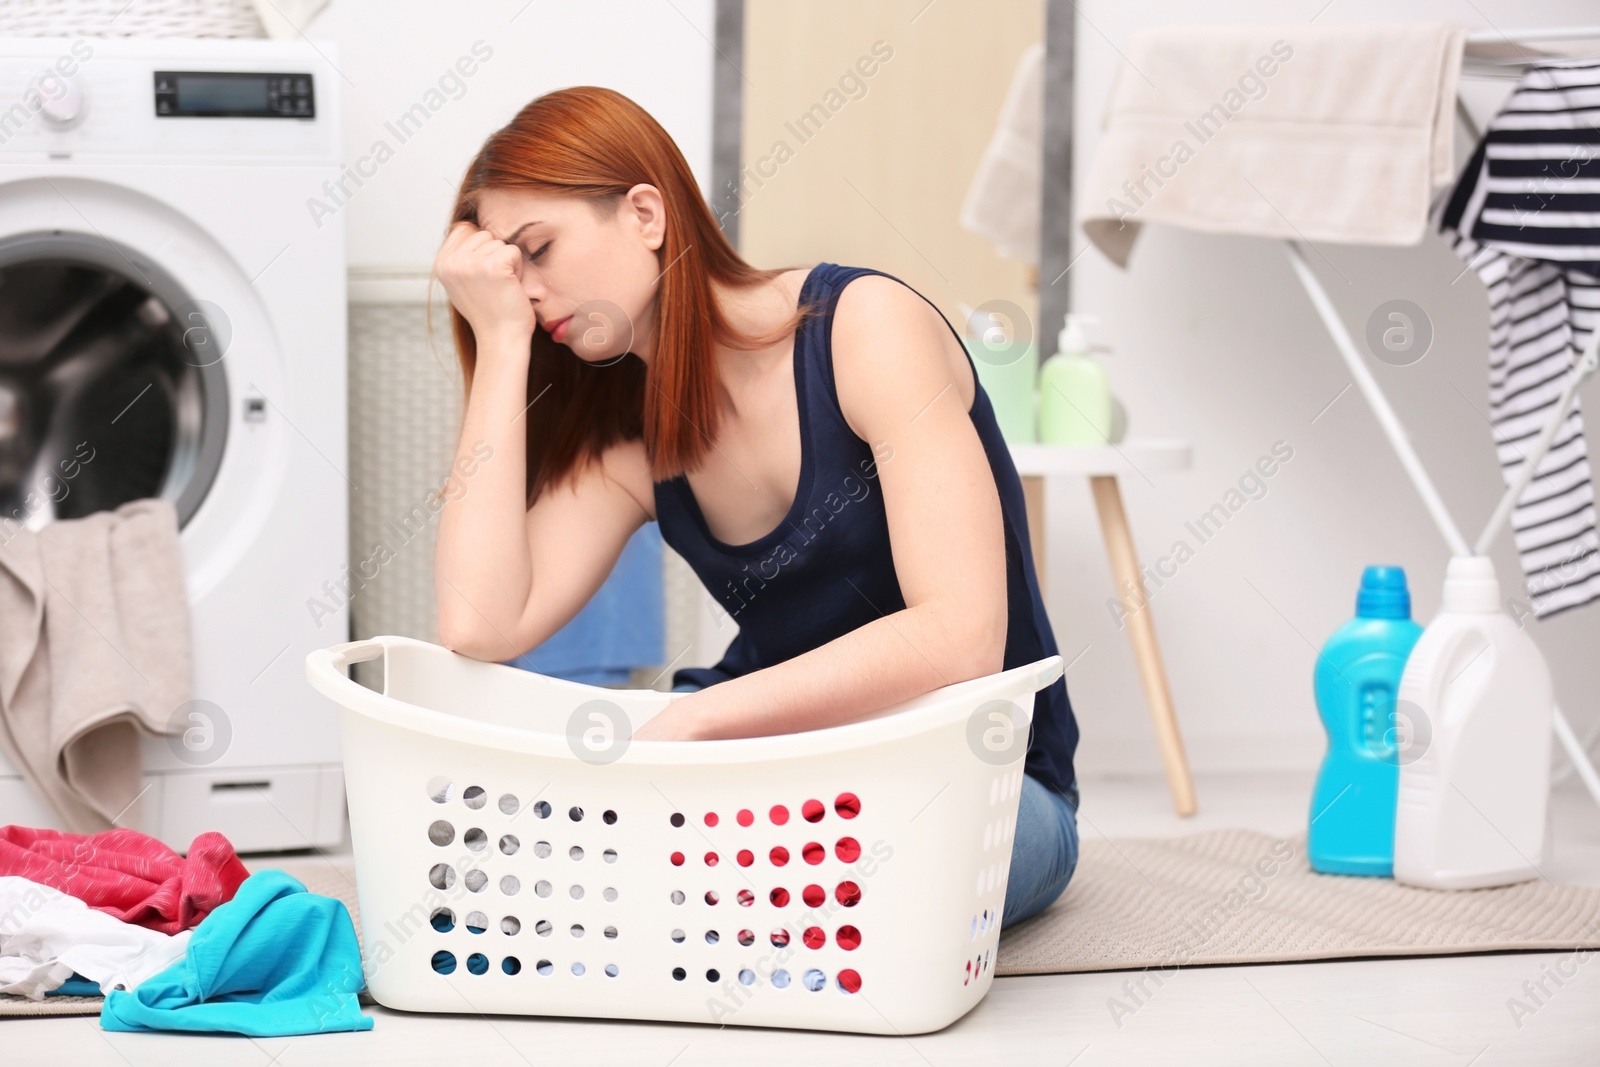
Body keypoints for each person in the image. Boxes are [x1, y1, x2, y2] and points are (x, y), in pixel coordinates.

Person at [430, 86, 1080, 927]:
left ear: (645, 214)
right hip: (765, 776)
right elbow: (481, 623)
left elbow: (961, 632)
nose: (528, 292)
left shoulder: (863, 326)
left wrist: (698, 721)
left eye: (539, 251)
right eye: (508, 278)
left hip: (975, 785)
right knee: (486, 855)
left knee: (869, 871)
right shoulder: (630, 441)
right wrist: (500, 342)